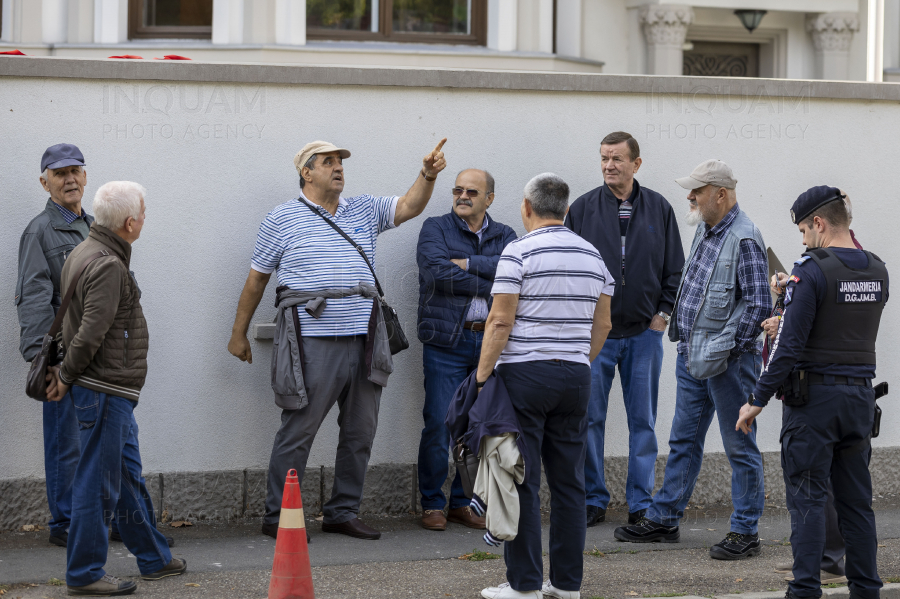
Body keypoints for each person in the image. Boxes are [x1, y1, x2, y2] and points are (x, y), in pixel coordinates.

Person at [228, 139, 447, 541]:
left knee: (360, 431)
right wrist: (238, 333)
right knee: (298, 430)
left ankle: (342, 511)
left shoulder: (362, 209)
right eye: (327, 162)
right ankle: (279, 515)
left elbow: (409, 206)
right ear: (306, 173)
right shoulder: (281, 218)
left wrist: (428, 174)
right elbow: (257, 278)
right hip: (312, 340)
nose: (338, 167)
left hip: (366, 338)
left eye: (340, 161)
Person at [614, 159, 769, 561]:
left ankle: (745, 531)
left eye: (697, 191)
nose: (690, 197)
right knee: (683, 439)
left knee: (740, 447)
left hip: (729, 363)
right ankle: (665, 519)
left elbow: (757, 305)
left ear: (721, 193)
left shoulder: (745, 238)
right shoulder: (706, 228)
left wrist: (724, 351)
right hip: (692, 355)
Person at [737, 186, 886, 599]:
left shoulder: (811, 269)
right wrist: (794, 296)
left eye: (804, 230)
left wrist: (756, 400)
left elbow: (787, 348)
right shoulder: (877, 269)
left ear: (819, 223)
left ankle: (804, 590)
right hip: (859, 401)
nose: (803, 239)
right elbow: (839, 322)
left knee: (808, 502)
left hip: (814, 406)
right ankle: (867, 590)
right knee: (857, 506)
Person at [478, 173, 614, 599]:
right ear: (567, 210)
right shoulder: (594, 256)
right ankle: (567, 585)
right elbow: (604, 323)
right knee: (571, 483)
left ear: (526, 207)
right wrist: (577, 360)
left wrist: (482, 378)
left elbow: (500, 321)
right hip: (575, 377)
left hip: (524, 375)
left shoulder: (517, 252)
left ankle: (524, 585)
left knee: (522, 479)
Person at [45, 181, 185, 597]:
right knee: (99, 481)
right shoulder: (107, 263)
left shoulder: (86, 250)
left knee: (123, 475)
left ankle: (154, 558)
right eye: (143, 212)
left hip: (107, 388)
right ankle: (85, 572)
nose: (145, 218)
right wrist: (68, 376)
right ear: (130, 223)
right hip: (104, 387)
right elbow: (90, 332)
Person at [565, 131, 684, 526]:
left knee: (643, 422)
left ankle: (640, 503)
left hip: (642, 335)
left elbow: (674, 269)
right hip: (595, 335)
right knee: (589, 420)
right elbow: (568, 267)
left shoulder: (659, 209)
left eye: (616, 159)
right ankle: (592, 500)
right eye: (603, 158)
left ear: (636, 163)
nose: (608, 165)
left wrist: (662, 315)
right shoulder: (582, 209)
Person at [416, 169, 517, 531]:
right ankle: (431, 503)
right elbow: (435, 274)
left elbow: (515, 273)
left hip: (491, 343)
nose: (462, 196)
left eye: (471, 191)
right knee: (439, 424)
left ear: (489, 198)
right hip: (447, 343)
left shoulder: (505, 234)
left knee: (479, 425)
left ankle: (462, 501)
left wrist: (469, 264)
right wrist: (490, 279)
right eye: (457, 190)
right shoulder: (435, 228)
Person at [16, 144, 93, 548]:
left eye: (75, 171)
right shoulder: (39, 231)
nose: (69, 180)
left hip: (96, 354)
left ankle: (94, 516)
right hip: (63, 357)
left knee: (98, 439)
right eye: (59, 173)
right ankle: (64, 522)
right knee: (66, 442)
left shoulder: (94, 227)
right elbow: (32, 296)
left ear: (85, 176)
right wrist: (40, 358)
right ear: (44, 181)